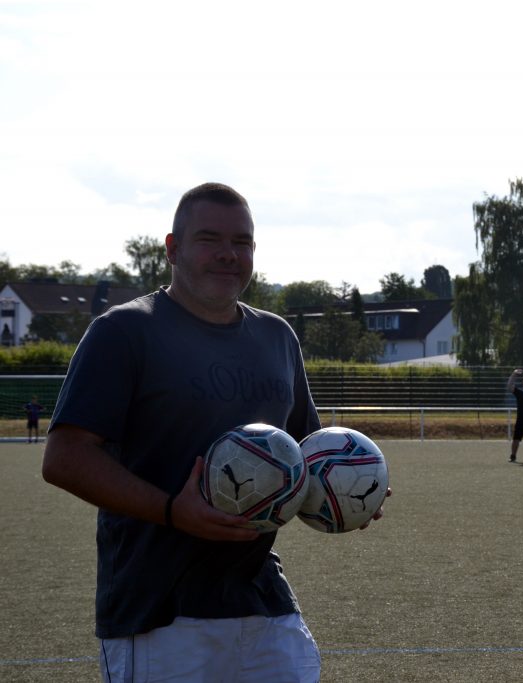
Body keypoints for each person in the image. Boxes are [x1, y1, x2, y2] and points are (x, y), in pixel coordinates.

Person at [41, 182, 386, 682]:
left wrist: (348, 493)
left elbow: (306, 456)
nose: (228, 254)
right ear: (173, 248)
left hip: (261, 600)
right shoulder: (124, 331)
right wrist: (171, 511)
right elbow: (65, 457)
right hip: (159, 609)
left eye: (242, 242)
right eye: (210, 239)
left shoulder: (276, 337)